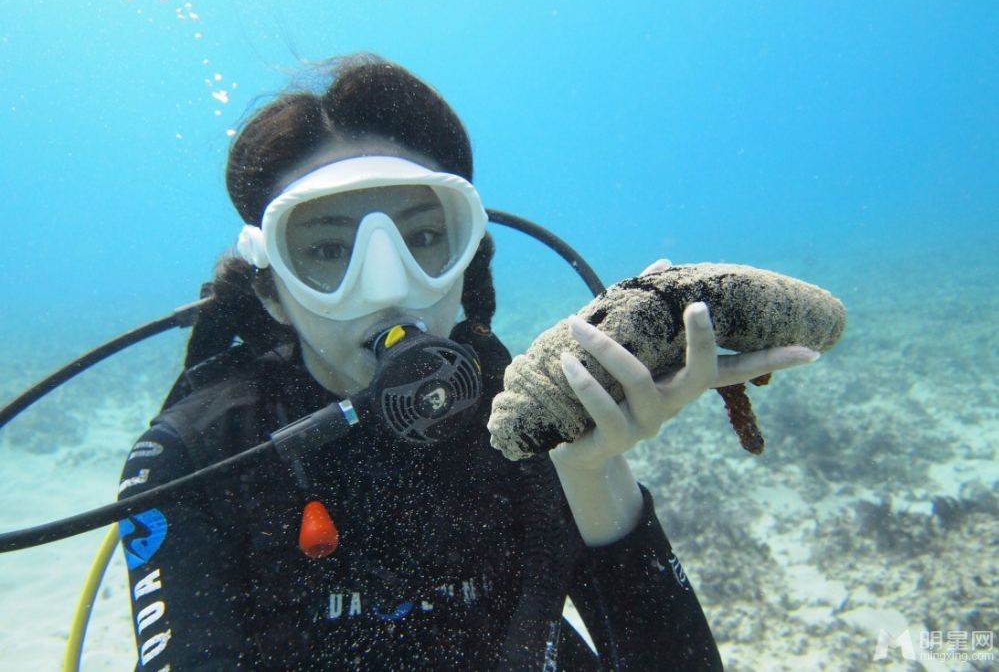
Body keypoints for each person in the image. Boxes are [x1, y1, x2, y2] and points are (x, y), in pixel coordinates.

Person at [117, 53, 816, 672]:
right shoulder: (196, 457)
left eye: (424, 237)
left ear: (465, 257)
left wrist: (593, 471)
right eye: (329, 251)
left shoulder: (527, 413)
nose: (387, 287)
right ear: (270, 288)